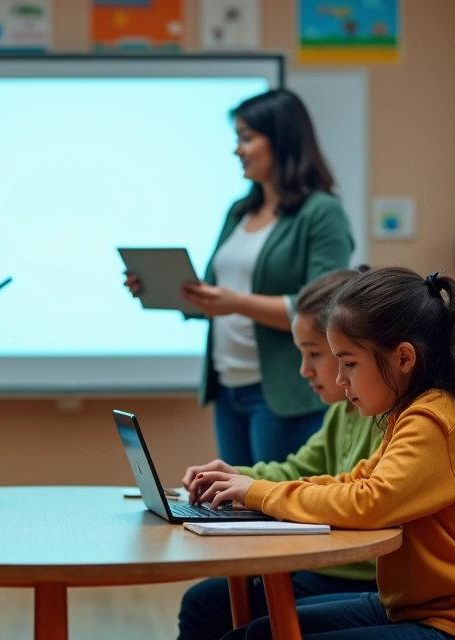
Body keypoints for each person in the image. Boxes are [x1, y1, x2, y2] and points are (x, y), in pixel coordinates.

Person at [193, 267, 455, 639]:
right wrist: (253, 490)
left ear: (404, 358)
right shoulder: (412, 413)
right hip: (412, 607)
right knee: (256, 632)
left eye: (350, 363)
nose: (341, 379)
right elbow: (355, 481)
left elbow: (370, 501)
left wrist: (260, 492)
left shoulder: (433, 419)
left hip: (448, 622)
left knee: (258, 634)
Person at [125, 89, 354, 467]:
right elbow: (216, 298)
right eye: (237, 139)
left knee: (275, 512)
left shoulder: (322, 213)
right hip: (228, 387)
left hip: (283, 393)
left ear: (281, 139)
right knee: (236, 509)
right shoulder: (239, 212)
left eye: (246, 138)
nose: (238, 150)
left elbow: (328, 310)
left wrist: (236, 303)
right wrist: (164, 289)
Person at [175, 267, 382, 640]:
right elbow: (298, 469)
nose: (304, 370)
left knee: (238, 620)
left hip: (358, 573)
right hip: (327, 569)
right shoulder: (343, 412)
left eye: (315, 354)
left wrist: (253, 490)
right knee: (204, 602)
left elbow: (360, 497)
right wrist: (234, 476)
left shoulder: (391, 418)